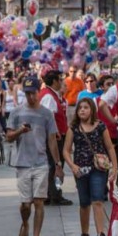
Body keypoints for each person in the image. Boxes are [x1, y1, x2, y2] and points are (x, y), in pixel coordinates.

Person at [6, 74, 63, 236]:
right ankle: (25, 224)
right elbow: (8, 137)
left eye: (33, 93)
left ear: (39, 92)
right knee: (25, 204)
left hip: (40, 163)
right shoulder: (16, 112)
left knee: (39, 202)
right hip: (22, 163)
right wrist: (20, 131)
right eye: (28, 93)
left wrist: (58, 164)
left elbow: (52, 140)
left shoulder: (46, 114)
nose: (31, 96)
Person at [63, 97, 118, 236]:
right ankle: (85, 234)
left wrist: (115, 167)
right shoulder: (73, 128)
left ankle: (101, 234)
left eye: (86, 107)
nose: (82, 110)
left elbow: (110, 147)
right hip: (80, 169)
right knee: (84, 203)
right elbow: (66, 150)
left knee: (97, 200)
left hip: (98, 168)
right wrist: (72, 165)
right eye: (80, 107)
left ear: (92, 110)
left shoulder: (101, 126)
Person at [39, 70, 72, 206]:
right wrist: (56, 131)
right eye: (59, 80)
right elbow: (48, 116)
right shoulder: (48, 96)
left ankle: (49, 193)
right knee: (56, 164)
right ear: (54, 81)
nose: (61, 82)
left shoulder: (49, 94)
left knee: (52, 165)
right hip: (54, 136)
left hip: (53, 134)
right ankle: (55, 195)